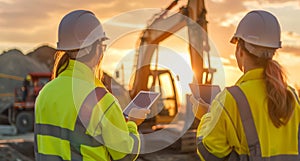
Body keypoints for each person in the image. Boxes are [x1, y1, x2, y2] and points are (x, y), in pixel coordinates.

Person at [34, 10, 149, 161]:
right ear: (93, 48)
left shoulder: (45, 93)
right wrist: (133, 123)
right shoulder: (100, 100)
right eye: (102, 45)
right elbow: (126, 155)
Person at [191, 10, 300, 160]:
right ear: (274, 51)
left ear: (240, 50)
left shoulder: (231, 99)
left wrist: (206, 117)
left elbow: (209, 151)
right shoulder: (292, 97)